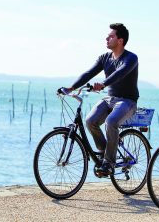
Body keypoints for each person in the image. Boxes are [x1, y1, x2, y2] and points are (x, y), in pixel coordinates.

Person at [60, 23, 139, 177]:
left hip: (127, 101)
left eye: (111, 36)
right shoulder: (104, 58)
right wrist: (71, 88)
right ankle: (104, 154)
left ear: (120, 40)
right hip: (110, 99)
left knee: (111, 122)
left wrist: (103, 84)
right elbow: (89, 73)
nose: (107, 38)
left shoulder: (131, 58)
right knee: (90, 121)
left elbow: (121, 73)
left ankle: (109, 163)